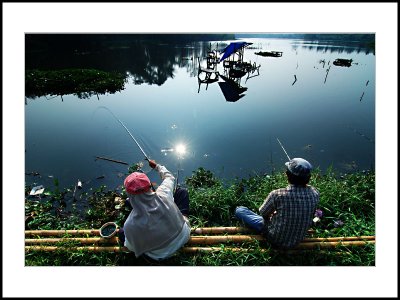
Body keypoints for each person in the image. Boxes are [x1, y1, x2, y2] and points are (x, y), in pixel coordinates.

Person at [235, 158, 320, 249]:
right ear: (309, 178)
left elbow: (263, 213)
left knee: (240, 210)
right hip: (297, 240)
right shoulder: (315, 194)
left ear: (287, 175)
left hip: (275, 239)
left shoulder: (277, 194)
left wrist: (272, 217)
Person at [118, 159, 191, 260]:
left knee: (121, 233)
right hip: (184, 236)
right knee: (182, 192)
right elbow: (169, 177)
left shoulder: (130, 225)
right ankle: (184, 219)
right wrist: (157, 166)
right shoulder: (164, 194)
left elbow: (130, 247)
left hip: (160, 255)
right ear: (149, 186)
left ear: (129, 195)